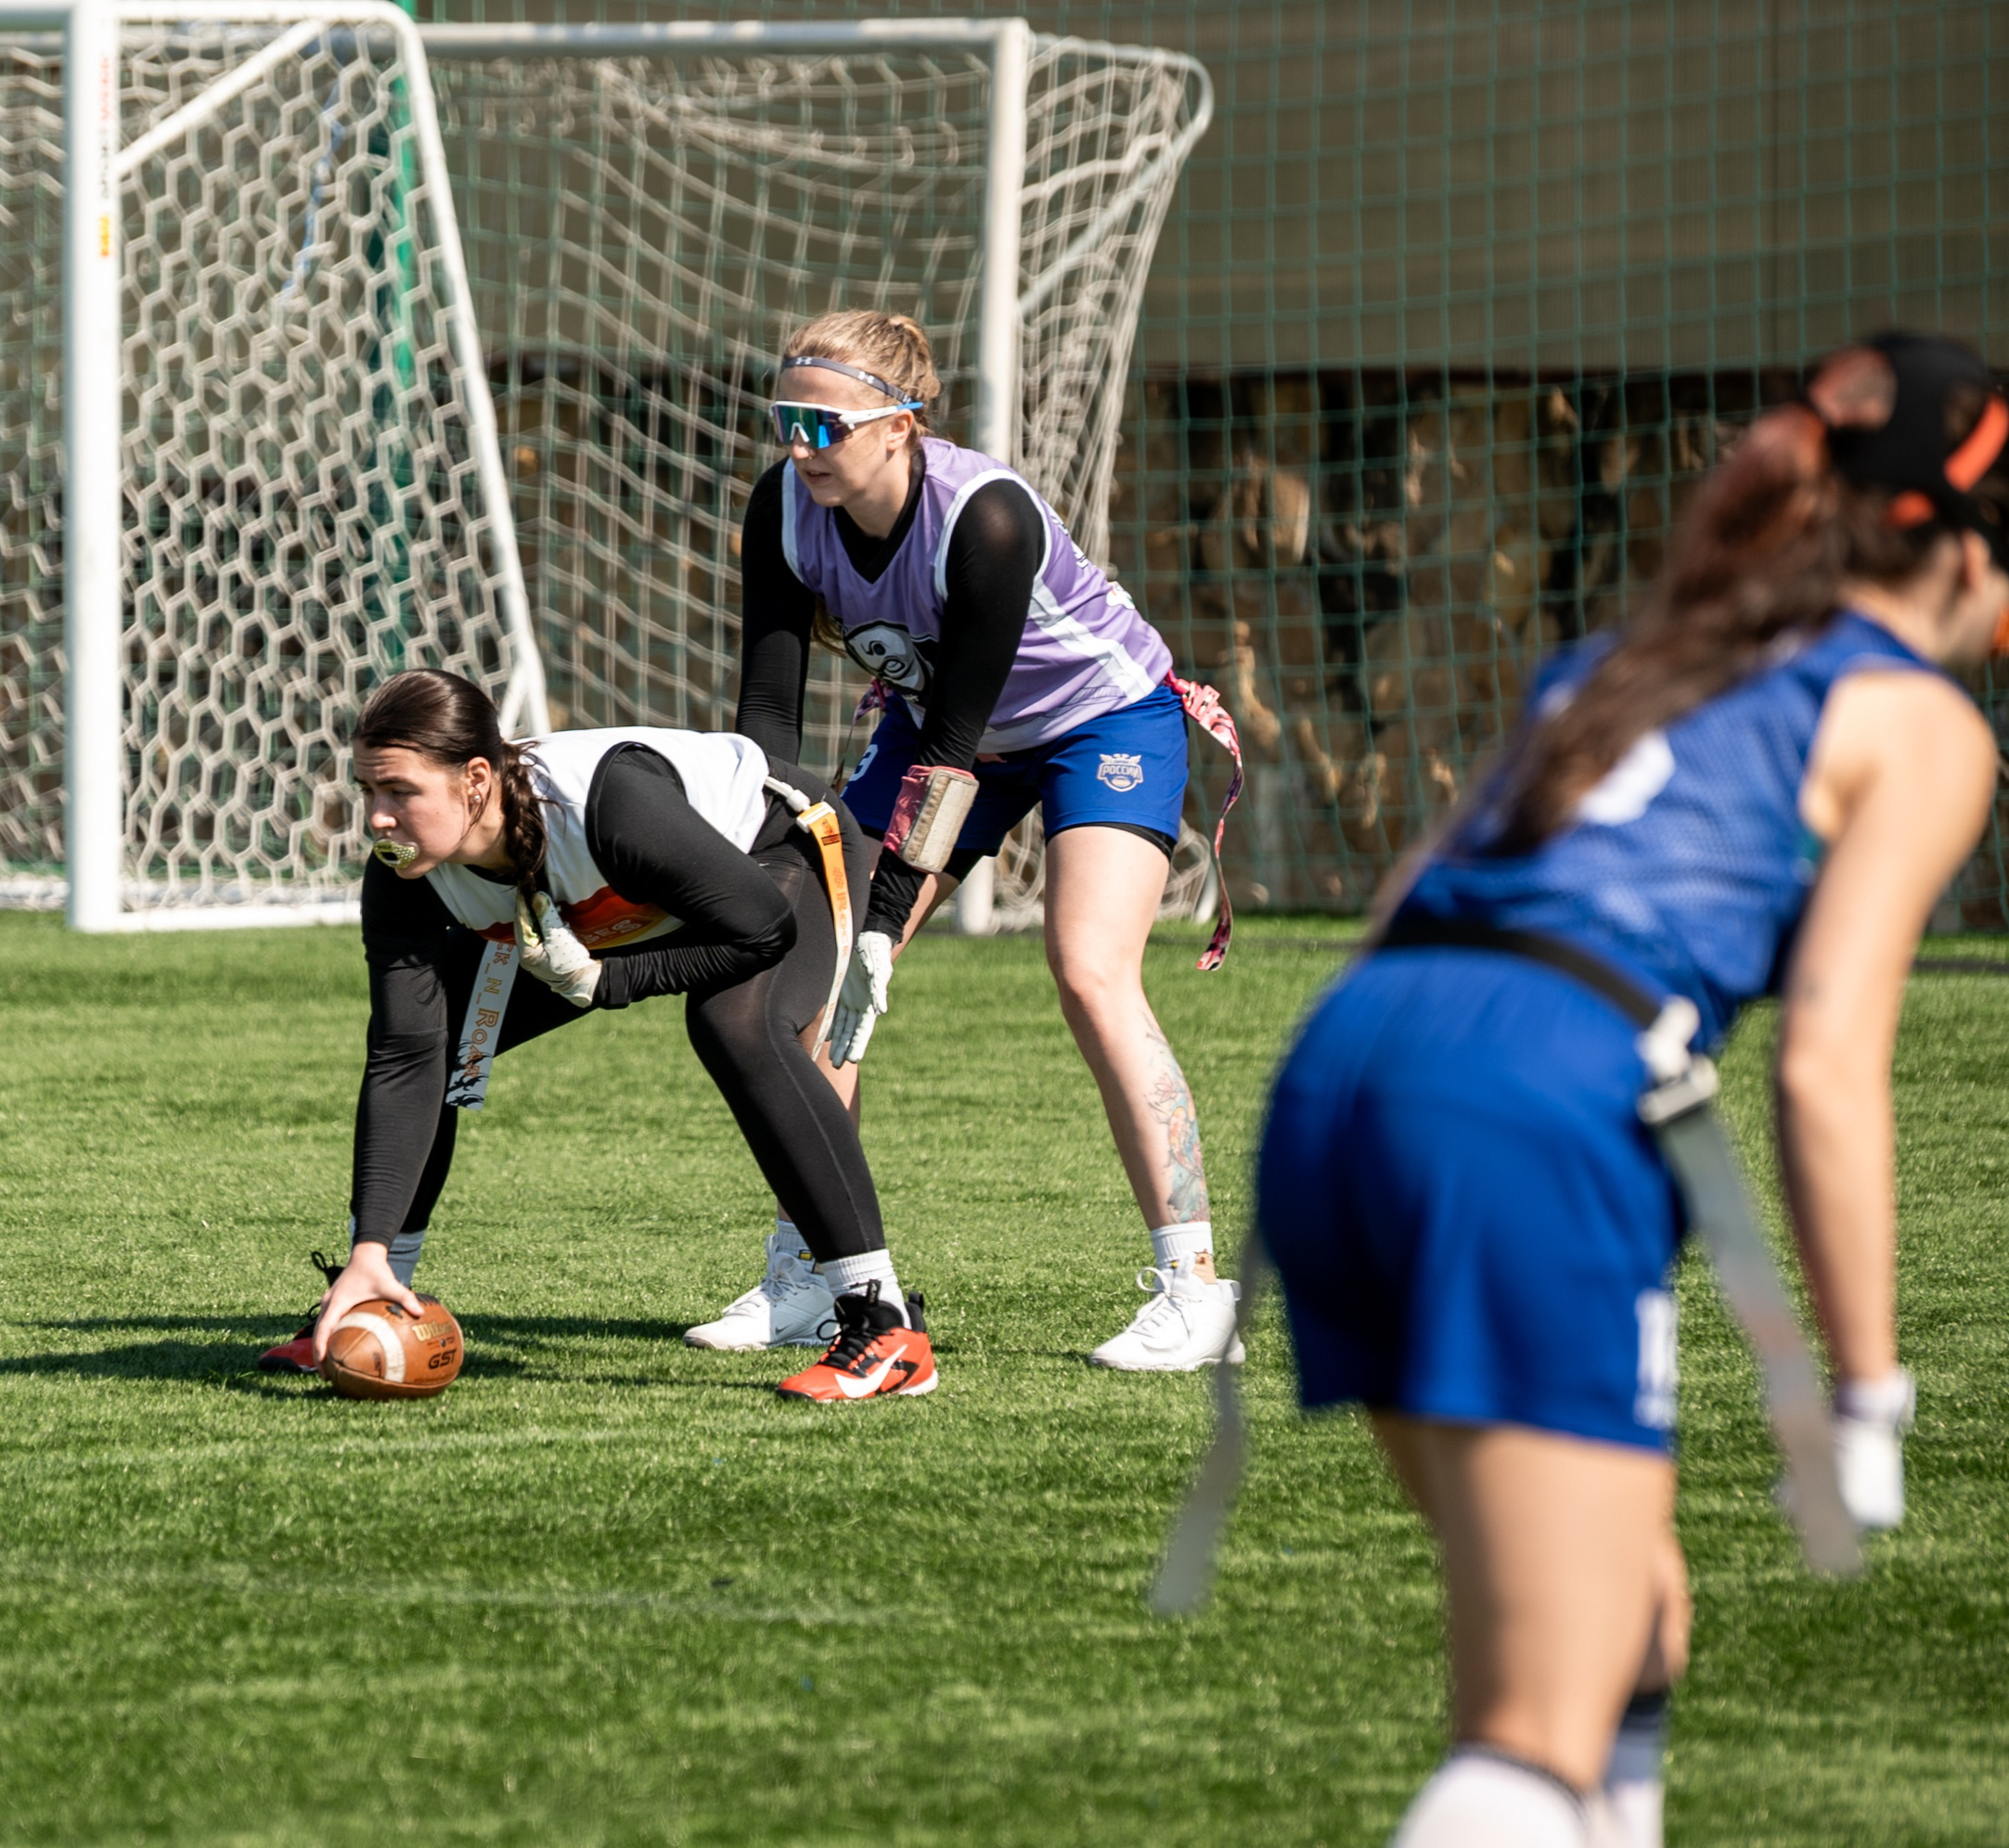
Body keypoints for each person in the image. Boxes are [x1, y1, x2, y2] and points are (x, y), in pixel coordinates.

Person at [1256, 333, 2009, 1847]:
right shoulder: (1919, 720)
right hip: (1532, 1097)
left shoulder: (1632, 655)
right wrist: (1868, 1392)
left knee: (1636, 1613)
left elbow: (1425, 887)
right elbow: (1825, 1061)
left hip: (1345, 1067)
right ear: (1966, 547)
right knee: (1535, 1731)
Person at [685, 309, 1246, 1370]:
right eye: (786, 422)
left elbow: (953, 750)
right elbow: (768, 718)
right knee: (816, 975)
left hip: (1096, 721)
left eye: (824, 426)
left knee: (1089, 970)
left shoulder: (982, 517)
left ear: (900, 426)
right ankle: (817, 1275)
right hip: (936, 727)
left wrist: (888, 920)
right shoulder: (783, 510)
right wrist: (767, 866)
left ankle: (1196, 1292)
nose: (800, 448)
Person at [255, 669, 937, 1405]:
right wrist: (370, 1249)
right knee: (444, 1039)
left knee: (734, 1024)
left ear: (476, 780)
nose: (378, 819)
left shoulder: (608, 807)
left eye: (400, 792)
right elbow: (405, 1056)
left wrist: (606, 982)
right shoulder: (402, 876)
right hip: (621, 905)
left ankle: (885, 1323)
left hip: (774, 855)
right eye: (368, 791)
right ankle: (377, 1291)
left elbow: (762, 929)